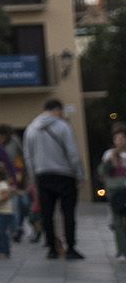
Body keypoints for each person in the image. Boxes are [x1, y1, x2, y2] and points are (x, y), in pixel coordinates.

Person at [25, 98, 87, 260]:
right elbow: (72, 153)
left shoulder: (31, 129)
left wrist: (33, 178)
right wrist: (80, 174)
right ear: (58, 110)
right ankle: (71, 248)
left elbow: (28, 157)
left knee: (47, 214)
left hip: (42, 175)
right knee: (68, 213)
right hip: (65, 175)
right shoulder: (63, 127)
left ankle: (52, 248)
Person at [97, 124, 126, 259]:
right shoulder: (109, 154)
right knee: (118, 222)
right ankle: (121, 250)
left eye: (122, 137)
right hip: (115, 191)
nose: (119, 141)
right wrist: (110, 161)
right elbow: (102, 172)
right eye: (116, 138)